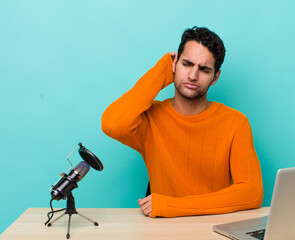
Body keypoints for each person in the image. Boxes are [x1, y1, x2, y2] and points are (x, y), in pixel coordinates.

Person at [101, 26, 263, 218]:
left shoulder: (235, 122)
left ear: (215, 77)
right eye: (186, 64)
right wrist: (162, 71)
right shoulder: (150, 118)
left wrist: (172, 206)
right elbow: (112, 124)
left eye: (204, 69)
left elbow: (252, 193)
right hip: (163, 232)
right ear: (175, 64)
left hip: (212, 230)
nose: (193, 76)